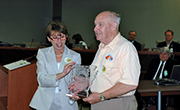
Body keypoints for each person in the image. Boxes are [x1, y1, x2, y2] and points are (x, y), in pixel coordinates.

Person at [77, 11, 141, 110]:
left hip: (117, 104)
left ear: (113, 26)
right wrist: (86, 82)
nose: (95, 28)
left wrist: (101, 96)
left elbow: (130, 84)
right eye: (95, 25)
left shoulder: (126, 48)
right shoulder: (102, 48)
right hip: (98, 102)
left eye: (100, 25)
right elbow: (104, 76)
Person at [29, 21, 81, 110]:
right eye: (55, 37)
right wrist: (62, 74)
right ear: (49, 38)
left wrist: (76, 92)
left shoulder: (75, 56)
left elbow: (75, 82)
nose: (59, 40)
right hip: (45, 103)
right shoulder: (42, 53)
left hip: (67, 102)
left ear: (66, 37)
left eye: (62, 36)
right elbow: (41, 80)